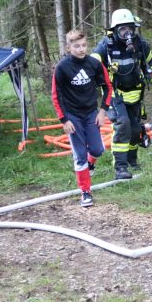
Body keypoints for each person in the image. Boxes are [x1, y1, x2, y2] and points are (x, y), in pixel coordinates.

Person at [92, 9, 152, 180]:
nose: (127, 34)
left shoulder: (141, 45)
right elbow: (92, 64)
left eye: (130, 29)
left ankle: (132, 161)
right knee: (123, 125)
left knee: (136, 129)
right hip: (115, 94)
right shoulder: (106, 46)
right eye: (122, 30)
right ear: (115, 30)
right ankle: (120, 168)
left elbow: (150, 68)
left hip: (135, 94)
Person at [51, 29, 113, 207]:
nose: (81, 49)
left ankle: (91, 164)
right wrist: (64, 120)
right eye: (76, 46)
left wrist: (102, 111)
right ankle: (85, 191)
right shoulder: (62, 68)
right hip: (72, 116)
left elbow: (108, 87)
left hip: (91, 113)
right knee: (79, 155)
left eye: (84, 45)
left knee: (98, 150)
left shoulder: (94, 64)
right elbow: (56, 96)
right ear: (68, 48)